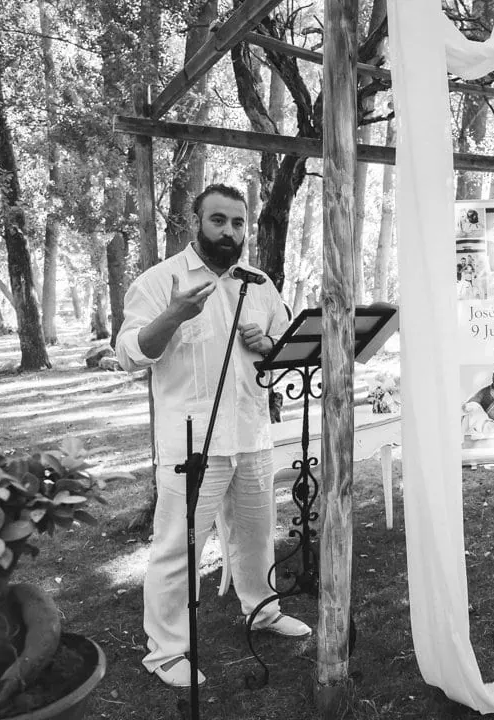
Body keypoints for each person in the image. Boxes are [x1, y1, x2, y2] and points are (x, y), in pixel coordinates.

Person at [116, 184, 311, 689]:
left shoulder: (260, 284)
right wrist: (174, 314)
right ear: (196, 222)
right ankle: (166, 652)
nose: (230, 231)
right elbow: (130, 354)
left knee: (256, 537)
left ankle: (262, 612)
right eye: (218, 220)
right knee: (177, 548)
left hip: (252, 434)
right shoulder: (161, 281)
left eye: (238, 223)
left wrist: (268, 343)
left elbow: (284, 349)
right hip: (192, 444)